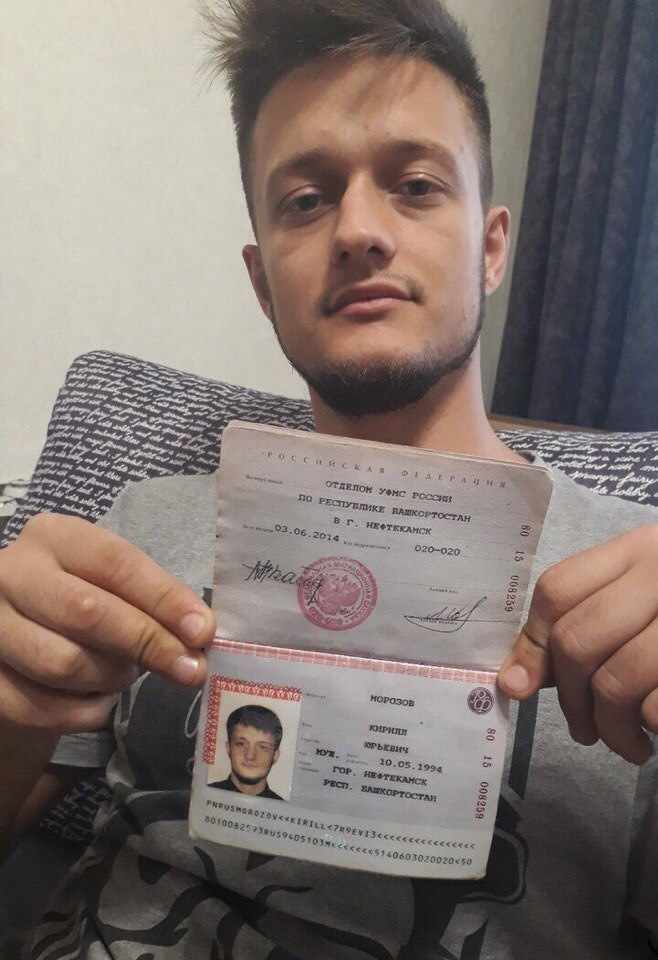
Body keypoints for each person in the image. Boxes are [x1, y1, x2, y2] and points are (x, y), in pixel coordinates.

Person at [0, 1, 656, 957]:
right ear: (263, 281)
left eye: (416, 185)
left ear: (491, 248)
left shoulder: (636, 572)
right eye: (306, 200)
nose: (357, 229)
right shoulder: (140, 527)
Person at [209, 704, 284, 799]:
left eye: (262, 747)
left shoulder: (283, 807)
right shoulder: (206, 794)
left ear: (275, 755)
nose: (250, 756)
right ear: (228, 748)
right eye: (241, 744)